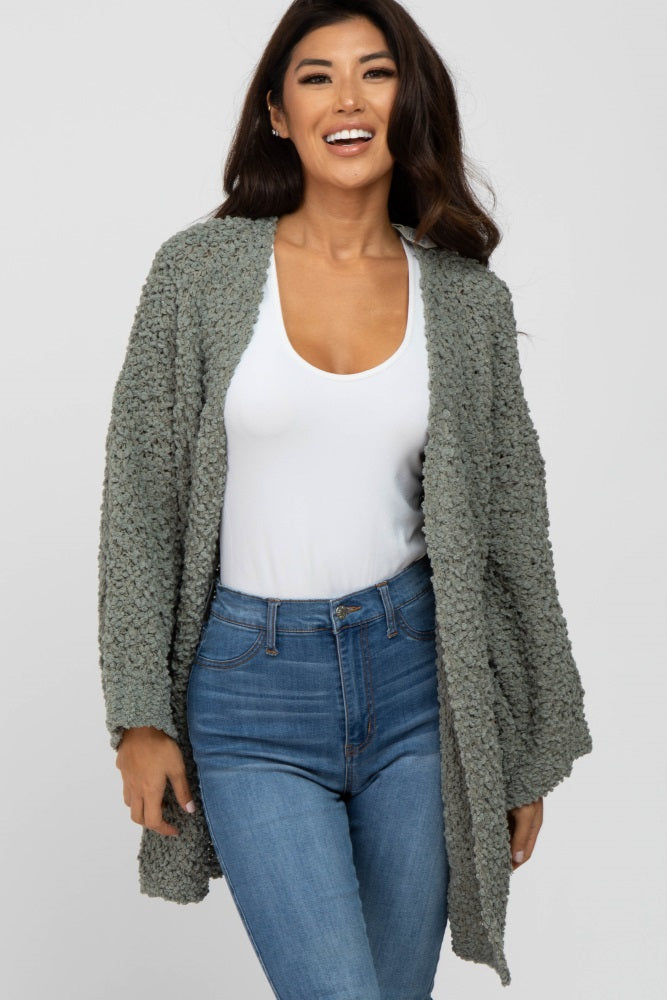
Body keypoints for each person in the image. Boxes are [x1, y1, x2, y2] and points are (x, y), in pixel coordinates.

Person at [98, 1, 593, 995]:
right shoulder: (197, 273)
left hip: (418, 687)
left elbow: (511, 530)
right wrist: (139, 714)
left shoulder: (466, 301)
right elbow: (140, 499)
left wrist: (517, 741)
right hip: (248, 692)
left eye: (375, 71)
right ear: (277, 114)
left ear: (408, 101)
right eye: (316, 77)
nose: (348, 99)